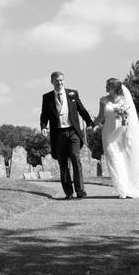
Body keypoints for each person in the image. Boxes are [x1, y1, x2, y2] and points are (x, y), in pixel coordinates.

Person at [40, 71, 95, 199]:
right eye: (56, 81)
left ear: (63, 81)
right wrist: (43, 127)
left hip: (73, 132)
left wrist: (89, 122)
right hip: (58, 133)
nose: (59, 82)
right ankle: (68, 192)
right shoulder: (47, 97)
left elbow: (82, 109)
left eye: (61, 80)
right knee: (63, 164)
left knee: (76, 160)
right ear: (52, 82)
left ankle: (80, 190)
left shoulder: (72, 94)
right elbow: (44, 115)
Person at [94, 78, 139, 199]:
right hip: (108, 133)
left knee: (125, 159)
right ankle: (123, 189)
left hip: (122, 133)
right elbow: (100, 117)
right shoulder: (103, 100)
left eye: (108, 85)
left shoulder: (124, 100)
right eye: (106, 85)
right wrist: (92, 124)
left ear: (115, 87)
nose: (106, 87)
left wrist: (126, 132)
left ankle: (130, 187)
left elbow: (128, 119)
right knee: (113, 159)